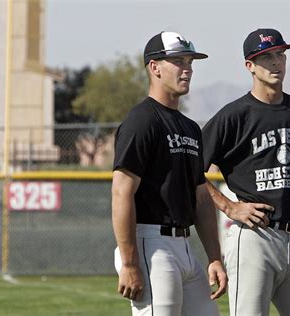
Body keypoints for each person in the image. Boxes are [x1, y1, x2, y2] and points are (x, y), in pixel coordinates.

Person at [202, 28, 290, 316]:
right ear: (249, 66)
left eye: (280, 54)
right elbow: (189, 168)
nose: (276, 62)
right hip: (254, 238)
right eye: (265, 57)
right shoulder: (234, 115)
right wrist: (229, 207)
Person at [111, 31, 227, 315]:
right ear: (155, 67)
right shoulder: (142, 121)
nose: (187, 68)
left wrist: (214, 257)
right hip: (152, 244)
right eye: (177, 61)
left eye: (189, 61)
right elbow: (121, 191)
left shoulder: (190, 128)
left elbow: (200, 196)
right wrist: (129, 263)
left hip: (185, 247)